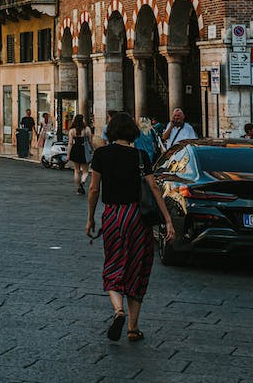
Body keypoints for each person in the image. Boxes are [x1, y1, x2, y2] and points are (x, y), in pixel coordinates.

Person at [85, 112, 174, 344]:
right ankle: (133, 328)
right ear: (132, 132)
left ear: (112, 131)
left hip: (113, 215)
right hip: (137, 217)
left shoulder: (101, 154)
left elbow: (94, 189)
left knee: (114, 263)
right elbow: (154, 189)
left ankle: (118, 310)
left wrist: (90, 218)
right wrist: (167, 220)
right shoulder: (141, 156)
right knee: (137, 266)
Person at [68, 113, 93, 196]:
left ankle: (78, 188)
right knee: (85, 171)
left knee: (76, 170)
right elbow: (90, 141)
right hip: (84, 150)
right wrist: (92, 149)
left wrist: (68, 154)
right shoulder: (87, 129)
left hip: (75, 149)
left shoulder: (72, 130)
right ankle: (83, 181)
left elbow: (70, 143)